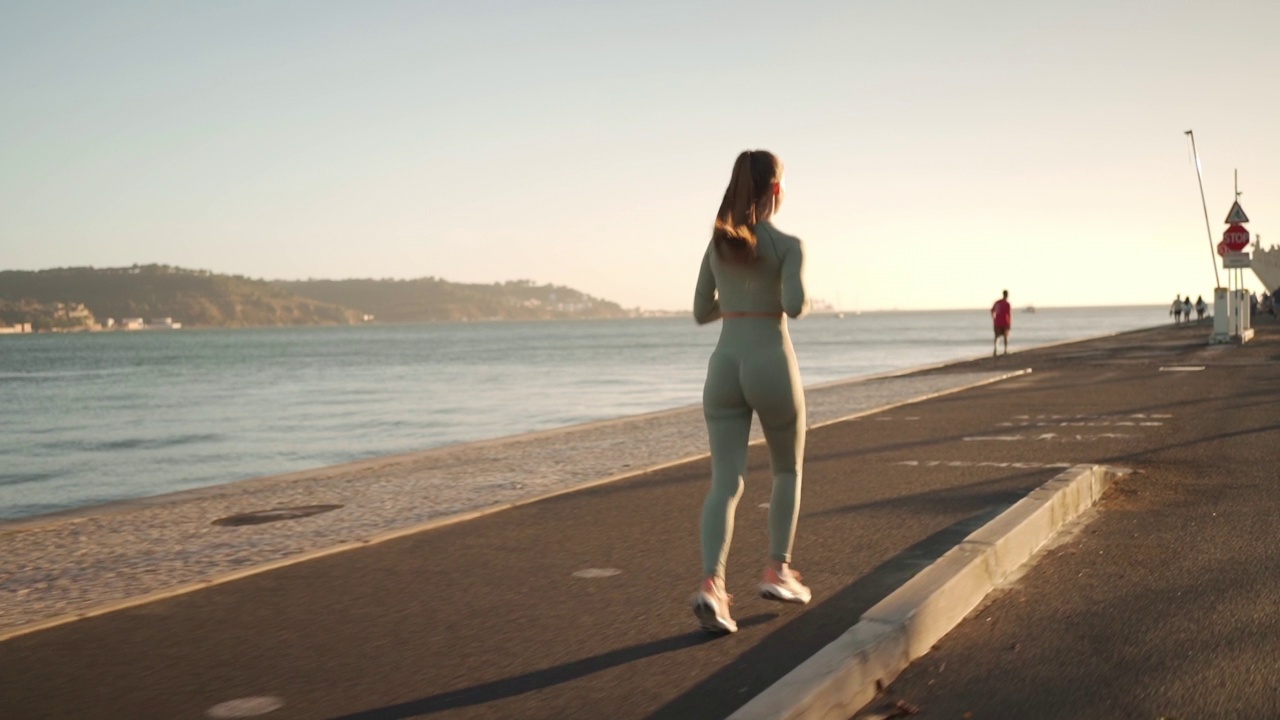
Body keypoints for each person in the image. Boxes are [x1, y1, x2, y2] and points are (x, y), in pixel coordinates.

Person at [690, 149, 811, 634]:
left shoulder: (717, 246)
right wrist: (771, 293)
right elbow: (796, 306)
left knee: (725, 483)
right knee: (787, 468)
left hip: (723, 368)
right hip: (771, 363)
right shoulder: (787, 245)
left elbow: (701, 310)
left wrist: (735, 304)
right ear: (776, 190)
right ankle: (778, 569)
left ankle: (711, 587)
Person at [991, 290, 1012, 356]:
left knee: (997, 336)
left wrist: (994, 318)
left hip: (998, 322)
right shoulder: (1006, 304)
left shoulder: (998, 303)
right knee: (1005, 336)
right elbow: (1009, 314)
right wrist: (1009, 323)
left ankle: (996, 350)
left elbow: (992, 310)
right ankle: (1004, 350)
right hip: (1004, 322)